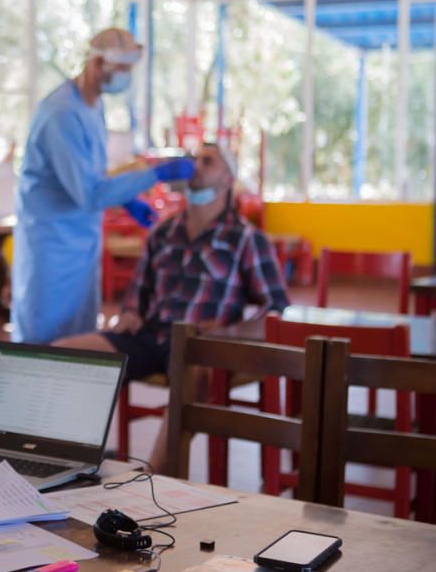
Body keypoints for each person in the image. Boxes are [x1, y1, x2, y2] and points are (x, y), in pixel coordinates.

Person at [54, 142, 290, 469]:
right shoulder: (163, 233)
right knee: (63, 353)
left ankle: (151, 483)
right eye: (195, 159)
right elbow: (138, 294)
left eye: (208, 161)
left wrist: (230, 332)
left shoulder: (246, 238)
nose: (196, 166)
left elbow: (277, 308)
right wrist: (131, 313)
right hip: (151, 336)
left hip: (201, 345)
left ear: (227, 180)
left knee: (188, 387)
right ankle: (63, 464)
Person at [12, 27, 194, 344]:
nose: (126, 77)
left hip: (80, 241)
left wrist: (124, 198)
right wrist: (154, 174)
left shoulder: (93, 106)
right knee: (45, 343)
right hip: (52, 245)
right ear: (95, 64)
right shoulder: (62, 114)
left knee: (79, 338)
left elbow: (89, 174)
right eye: (121, 69)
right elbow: (89, 193)